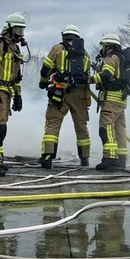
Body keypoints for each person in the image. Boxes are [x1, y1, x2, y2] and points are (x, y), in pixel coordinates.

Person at [37, 25, 92, 169]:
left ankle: (47, 157)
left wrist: (43, 82)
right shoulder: (85, 54)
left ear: (64, 36)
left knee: (53, 124)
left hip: (59, 93)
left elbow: (46, 68)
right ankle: (85, 158)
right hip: (80, 95)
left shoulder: (57, 48)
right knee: (81, 126)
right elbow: (87, 76)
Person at [0, 13, 27, 177]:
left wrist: (18, 95)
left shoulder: (14, 48)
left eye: (22, 29)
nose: (20, 32)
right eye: (18, 28)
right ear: (9, 28)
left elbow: (16, 76)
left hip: (7, 92)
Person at [89, 33, 129, 170]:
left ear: (108, 46)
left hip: (110, 100)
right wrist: (95, 67)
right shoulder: (121, 58)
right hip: (120, 100)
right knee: (120, 131)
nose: (102, 48)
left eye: (103, 45)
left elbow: (106, 75)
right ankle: (121, 160)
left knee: (106, 129)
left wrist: (90, 79)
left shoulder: (110, 58)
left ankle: (110, 158)